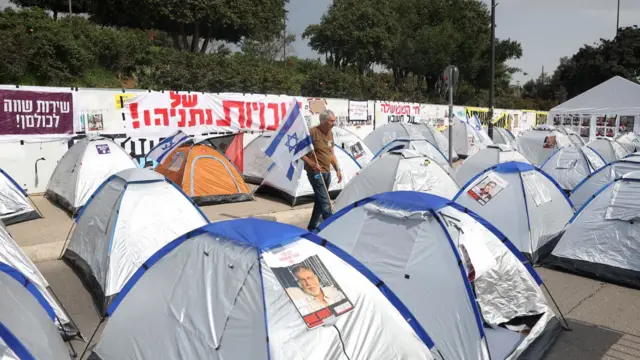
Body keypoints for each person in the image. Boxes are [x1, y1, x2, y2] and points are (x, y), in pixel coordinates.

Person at [301, 109, 342, 231]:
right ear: (323, 121)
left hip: (327, 172)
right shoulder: (312, 132)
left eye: (334, 121)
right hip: (315, 173)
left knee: (320, 200)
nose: (334, 123)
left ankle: (311, 227)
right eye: (331, 121)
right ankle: (330, 230)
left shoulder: (330, 133)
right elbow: (300, 153)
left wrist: (337, 169)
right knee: (325, 203)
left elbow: (331, 153)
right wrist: (312, 165)